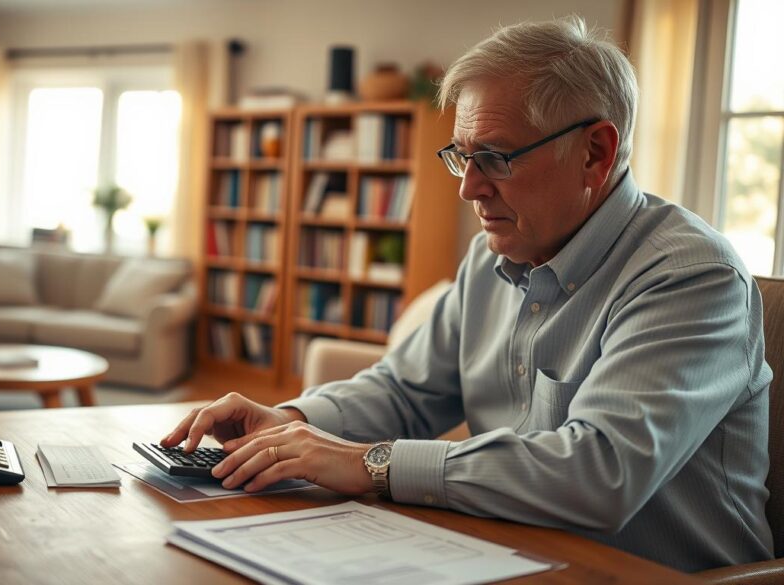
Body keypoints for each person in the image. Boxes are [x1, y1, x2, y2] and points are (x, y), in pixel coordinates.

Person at [163, 16, 773, 572]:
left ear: (596, 152)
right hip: (508, 556)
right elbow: (406, 389)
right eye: (461, 157)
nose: (469, 189)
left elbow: (600, 472)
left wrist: (371, 463)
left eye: (496, 158)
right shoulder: (493, 254)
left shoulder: (692, 275)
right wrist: (293, 423)